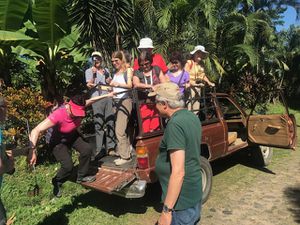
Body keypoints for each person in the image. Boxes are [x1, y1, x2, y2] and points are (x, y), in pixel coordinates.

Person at [28, 92, 115, 197]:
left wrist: (107, 95)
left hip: (71, 135)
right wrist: (32, 151)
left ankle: (81, 176)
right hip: (57, 141)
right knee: (68, 166)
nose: (78, 114)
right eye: (76, 112)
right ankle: (57, 181)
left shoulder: (79, 105)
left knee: (87, 149)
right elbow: (35, 130)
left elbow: (92, 100)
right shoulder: (58, 115)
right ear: (69, 106)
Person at [148, 83, 202, 225]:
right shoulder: (191, 116)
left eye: (156, 102)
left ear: (164, 104)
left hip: (180, 205)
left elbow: (178, 172)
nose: (155, 106)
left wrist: (166, 211)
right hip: (193, 195)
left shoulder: (175, 125)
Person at [85, 51, 116, 159]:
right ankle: (99, 149)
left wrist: (108, 77)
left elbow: (110, 83)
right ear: (92, 60)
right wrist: (94, 74)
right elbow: (89, 85)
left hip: (107, 98)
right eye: (94, 58)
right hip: (96, 100)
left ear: (101, 59)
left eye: (98, 58)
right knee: (98, 124)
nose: (96, 60)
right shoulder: (89, 71)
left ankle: (111, 148)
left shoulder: (106, 70)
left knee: (110, 121)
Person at [133, 51, 167, 133]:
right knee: (145, 126)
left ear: (150, 61)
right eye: (142, 65)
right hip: (143, 103)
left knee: (156, 125)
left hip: (156, 102)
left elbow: (164, 83)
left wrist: (157, 87)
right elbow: (136, 84)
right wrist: (150, 86)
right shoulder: (137, 72)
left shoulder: (156, 69)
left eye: (146, 64)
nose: (144, 66)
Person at [109, 51, 133, 166]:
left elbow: (129, 86)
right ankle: (125, 152)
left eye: (116, 61)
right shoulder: (116, 72)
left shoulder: (128, 70)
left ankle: (125, 157)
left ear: (121, 59)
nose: (114, 63)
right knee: (122, 129)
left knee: (119, 130)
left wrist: (118, 85)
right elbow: (114, 88)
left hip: (125, 101)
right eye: (112, 61)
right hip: (116, 101)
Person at [184, 45, 215, 111]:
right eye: (198, 53)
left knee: (196, 107)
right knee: (189, 106)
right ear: (194, 54)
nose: (200, 55)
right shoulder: (189, 63)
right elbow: (185, 76)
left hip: (198, 87)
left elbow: (202, 75)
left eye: (202, 53)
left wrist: (209, 82)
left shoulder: (201, 64)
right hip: (189, 87)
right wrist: (193, 84)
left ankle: (195, 119)